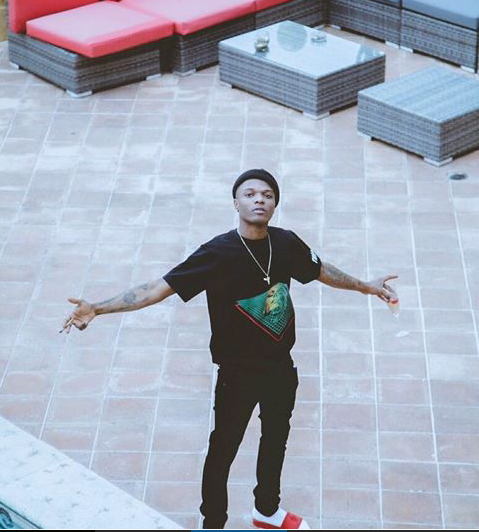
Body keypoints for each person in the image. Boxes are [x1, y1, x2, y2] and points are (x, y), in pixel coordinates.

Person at [61, 168, 398, 530]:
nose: (259, 200)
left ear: (275, 204)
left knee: (276, 439)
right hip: (237, 374)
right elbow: (158, 288)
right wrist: (98, 308)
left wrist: (366, 286)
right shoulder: (217, 253)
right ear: (236, 203)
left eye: (267, 195)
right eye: (250, 194)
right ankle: (213, 524)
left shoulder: (285, 243)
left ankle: (266, 511)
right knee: (223, 450)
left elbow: (320, 270)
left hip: (280, 367)